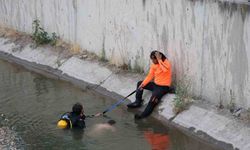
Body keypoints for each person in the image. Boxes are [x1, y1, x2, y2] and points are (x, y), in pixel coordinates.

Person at [127, 50, 172, 119]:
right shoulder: (154, 65)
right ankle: (137, 102)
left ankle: (142, 115)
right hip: (155, 84)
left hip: (163, 87)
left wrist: (159, 60)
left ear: (158, 58)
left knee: (152, 100)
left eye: (154, 59)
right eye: (152, 59)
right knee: (140, 83)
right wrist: (143, 85)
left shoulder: (166, 62)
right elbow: (150, 76)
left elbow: (165, 70)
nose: (152, 61)